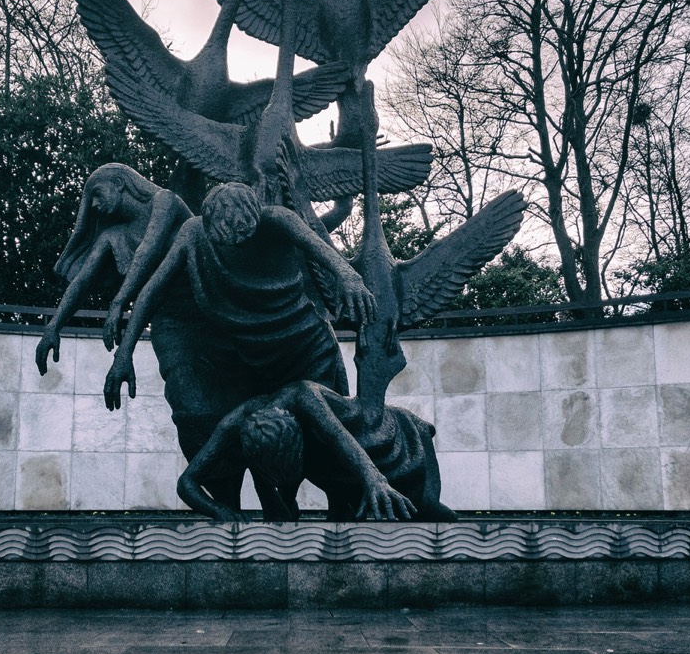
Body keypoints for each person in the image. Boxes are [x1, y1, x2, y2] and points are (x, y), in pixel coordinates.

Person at [103, 181, 375, 507]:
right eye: (225, 242)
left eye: (242, 241)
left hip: (307, 350)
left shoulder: (277, 219)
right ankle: (280, 511)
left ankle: (351, 506)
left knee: (327, 435)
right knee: (270, 434)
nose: (234, 249)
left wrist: (349, 277)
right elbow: (152, 291)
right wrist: (124, 353)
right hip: (258, 360)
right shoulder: (194, 233)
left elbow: (322, 250)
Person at [176, 379, 459, 523]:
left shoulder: (303, 396)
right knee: (283, 518)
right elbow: (186, 483)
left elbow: (340, 437)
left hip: (387, 438)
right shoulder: (234, 424)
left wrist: (375, 479)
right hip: (333, 466)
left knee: (429, 509)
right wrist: (219, 511)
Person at [34, 163, 191, 375]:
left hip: (206, 303)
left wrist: (118, 302)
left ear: (118, 183)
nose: (94, 205)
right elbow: (82, 281)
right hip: (169, 319)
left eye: (97, 194)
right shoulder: (113, 236)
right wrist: (53, 327)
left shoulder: (164, 201)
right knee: (182, 387)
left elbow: (148, 250)